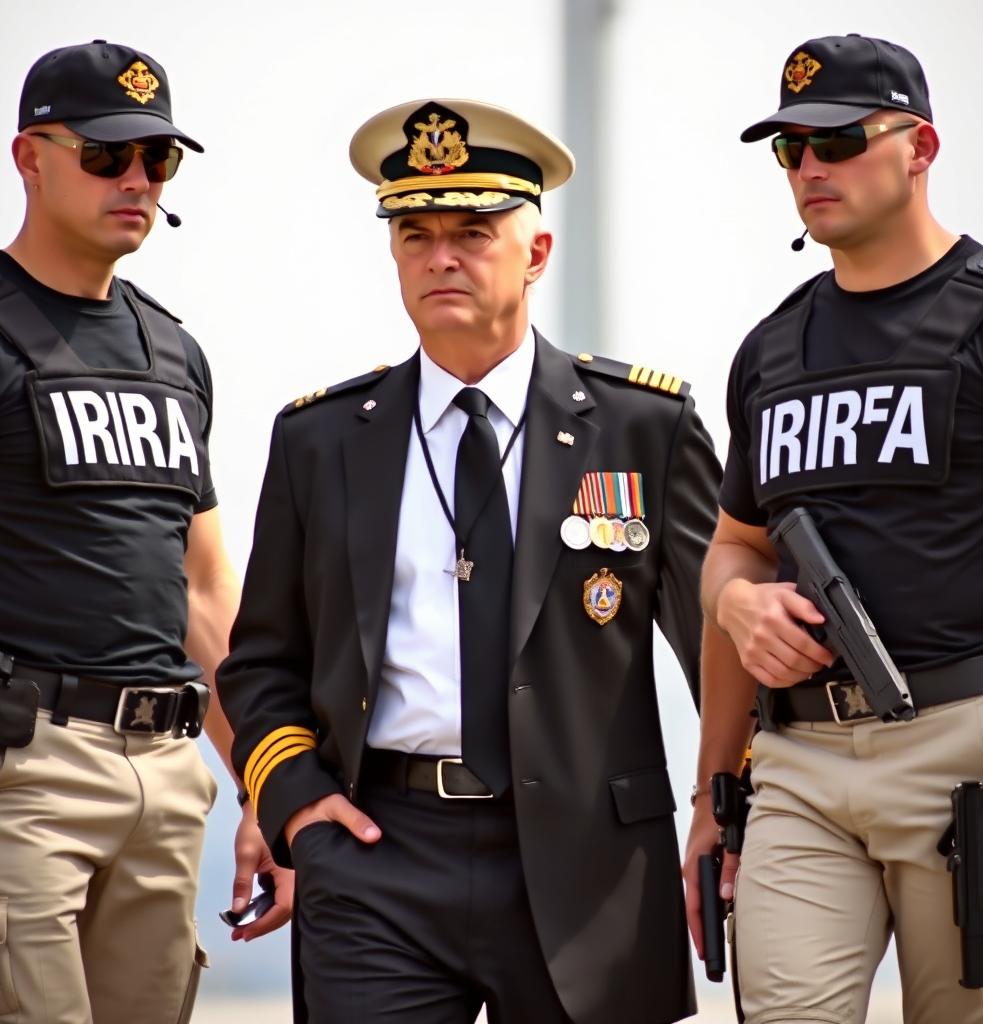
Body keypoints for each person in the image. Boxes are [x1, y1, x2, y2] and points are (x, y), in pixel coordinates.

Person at [217, 97, 730, 1024]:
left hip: (590, 859)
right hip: (378, 853)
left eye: (473, 231)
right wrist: (296, 804)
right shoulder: (319, 439)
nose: (441, 256)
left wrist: (728, 808)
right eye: (415, 233)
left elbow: (720, 648)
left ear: (535, 252)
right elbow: (261, 662)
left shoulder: (643, 426)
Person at [684, 32, 983, 1024]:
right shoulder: (772, 348)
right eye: (790, 149)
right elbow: (734, 543)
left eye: (836, 142)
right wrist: (736, 603)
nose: (809, 169)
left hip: (970, 752)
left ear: (918, 145)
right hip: (796, 766)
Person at [0, 39, 288, 1024]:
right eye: (107, 157)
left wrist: (265, 783)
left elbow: (204, 590)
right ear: (29, 156)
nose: (137, 182)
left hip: (167, 779)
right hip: (23, 771)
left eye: (157, 161)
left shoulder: (174, 352)